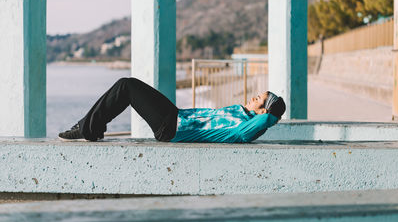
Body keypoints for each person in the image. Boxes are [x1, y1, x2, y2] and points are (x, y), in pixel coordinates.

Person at [58, 77, 286, 143]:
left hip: (172, 128)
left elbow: (247, 133)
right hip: (176, 116)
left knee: (126, 86)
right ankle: (91, 127)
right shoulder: (240, 113)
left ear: (263, 113)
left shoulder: (243, 128)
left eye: (259, 100)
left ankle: (87, 129)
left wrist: (270, 116)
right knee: (127, 85)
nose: (253, 97)